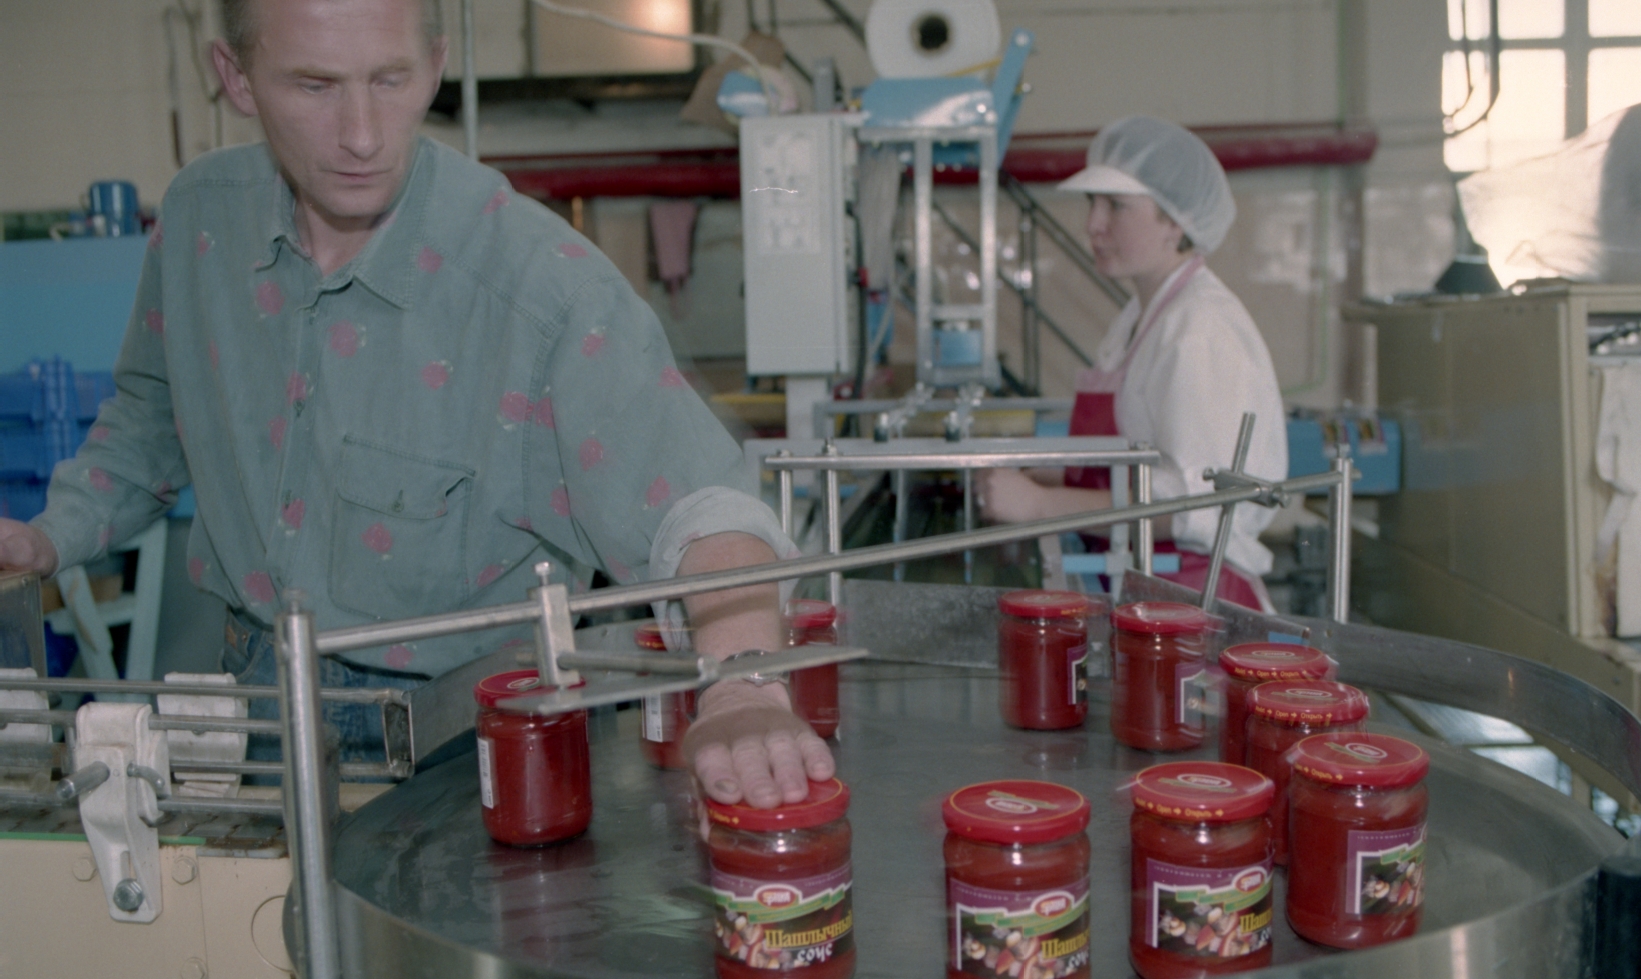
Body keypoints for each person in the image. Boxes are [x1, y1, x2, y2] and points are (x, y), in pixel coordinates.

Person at [0, 0, 828, 809]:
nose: (362, 134)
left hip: (467, 736)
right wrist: (49, 535)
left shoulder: (538, 287)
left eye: (390, 79)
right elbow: (151, 416)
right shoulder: (199, 225)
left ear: (435, 64)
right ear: (237, 77)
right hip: (255, 705)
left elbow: (702, 507)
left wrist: (742, 684)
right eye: (315, 86)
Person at [979, 117, 1287, 609]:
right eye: (1092, 203)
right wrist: (1053, 474)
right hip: (1148, 583)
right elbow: (1144, 462)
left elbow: (1195, 506)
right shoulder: (1143, 316)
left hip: (1195, 602)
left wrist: (1039, 504)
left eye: (1116, 206)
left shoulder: (1200, 330)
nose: (1093, 224)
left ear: (1174, 222)